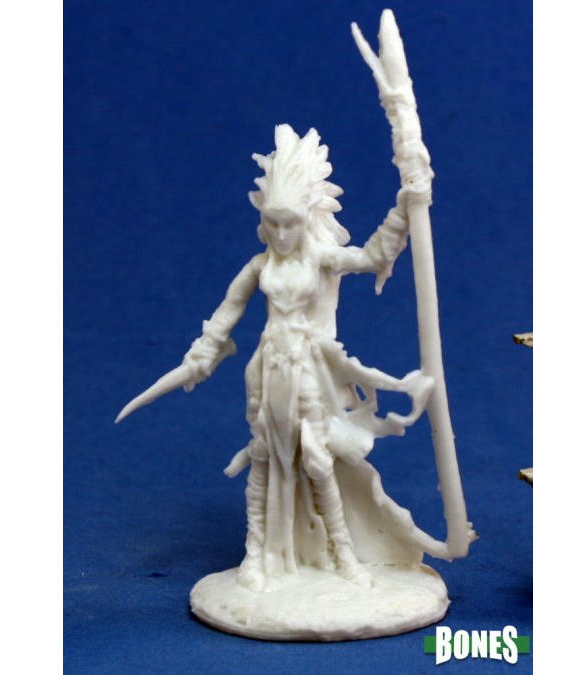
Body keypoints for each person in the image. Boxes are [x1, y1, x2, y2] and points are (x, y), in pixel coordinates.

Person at [178, 124, 435, 592]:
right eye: (272, 222)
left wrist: (405, 208)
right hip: (267, 369)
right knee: (262, 457)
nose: (280, 234)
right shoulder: (261, 265)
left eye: (290, 222)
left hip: (307, 367)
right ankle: (255, 554)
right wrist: (204, 351)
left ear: (306, 216)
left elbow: (372, 256)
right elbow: (228, 310)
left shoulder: (319, 257)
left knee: (317, 459)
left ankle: (344, 555)